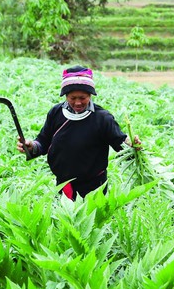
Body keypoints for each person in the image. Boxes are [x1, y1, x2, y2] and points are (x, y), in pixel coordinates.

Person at [17, 66, 139, 200]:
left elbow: (121, 145)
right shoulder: (56, 113)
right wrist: (31, 147)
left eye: (83, 97)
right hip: (63, 185)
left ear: (91, 95)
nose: (78, 102)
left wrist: (132, 145)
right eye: (72, 97)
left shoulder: (102, 118)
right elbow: (43, 141)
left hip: (94, 187)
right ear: (65, 96)